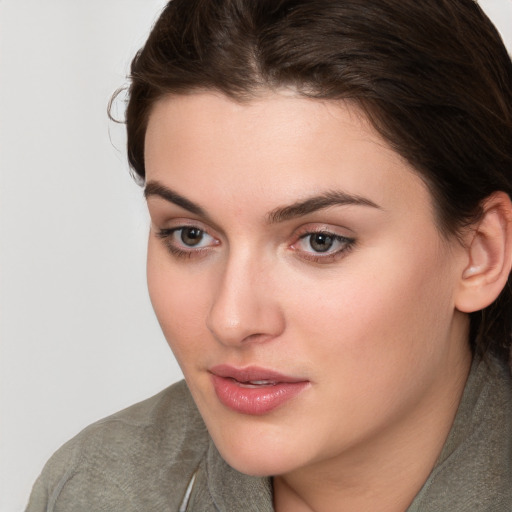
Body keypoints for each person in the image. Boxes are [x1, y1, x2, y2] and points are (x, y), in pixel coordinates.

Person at [25, 0, 512, 510]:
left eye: (320, 241)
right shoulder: (92, 488)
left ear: (481, 252)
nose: (231, 320)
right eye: (190, 235)